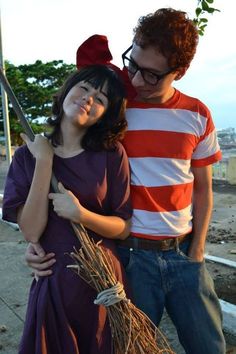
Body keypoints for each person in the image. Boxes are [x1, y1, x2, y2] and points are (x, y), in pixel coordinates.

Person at [24, 8, 226, 354]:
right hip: (128, 256)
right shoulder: (114, 111)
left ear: (180, 71)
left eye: (151, 75)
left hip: (184, 254)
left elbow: (203, 187)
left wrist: (198, 249)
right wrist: (40, 241)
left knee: (208, 345)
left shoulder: (197, 114)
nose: (136, 80)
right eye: (132, 64)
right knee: (128, 345)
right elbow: (73, 165)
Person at [2, 61, 133, 353]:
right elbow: (32, 231)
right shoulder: (27, 156)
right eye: (84, 88)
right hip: (54, 279)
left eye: (100, 99)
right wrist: (44, 161)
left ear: (104, 115)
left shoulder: (111, 154)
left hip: (103, 283)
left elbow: (123, 227)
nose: (88, 98)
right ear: (64, 93)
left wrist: (82, 215)